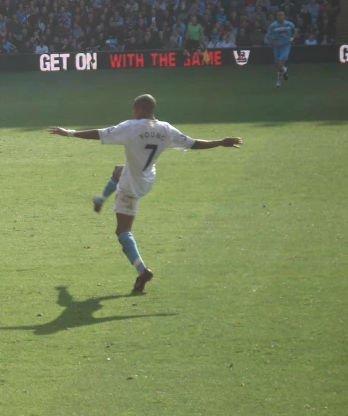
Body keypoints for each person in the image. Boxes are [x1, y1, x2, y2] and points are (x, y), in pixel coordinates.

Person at [47, 95, 242, 293]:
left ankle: (142, 270)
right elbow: (193, 144)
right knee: (118, 170)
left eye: (134, 107)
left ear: (139, 108)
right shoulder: (166, 129)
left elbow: (99, 133)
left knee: (122, 232)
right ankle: (101, 198)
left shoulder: (131, 127)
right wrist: (220, 141)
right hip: (147, 178)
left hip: (131, 186)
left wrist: (69, 133)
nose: (132, 110)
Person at [265, 10, 298, 89]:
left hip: (286, 45)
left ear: (284, 16)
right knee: (278, 66)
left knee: (280, 64)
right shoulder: (273, 25)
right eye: (279, 15)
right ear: (277, 16)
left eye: (282, 15)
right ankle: (285, 70)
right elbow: (268, 36)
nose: (280, 17)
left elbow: (296, 32)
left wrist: (292, 38)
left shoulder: (289, 24)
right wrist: (275, 42)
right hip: (277, 46)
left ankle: (279, 82)